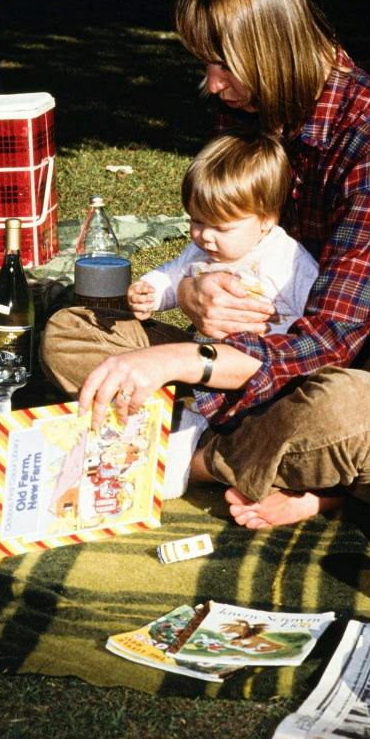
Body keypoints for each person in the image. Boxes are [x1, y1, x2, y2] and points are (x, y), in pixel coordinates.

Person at [41, 0, 370, 529]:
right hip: (251, 360)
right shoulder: (250, 108)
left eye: (221, 65)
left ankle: (195, 460)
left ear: (270, 47)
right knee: (69, 332)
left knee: (350, 415)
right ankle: (288, 467)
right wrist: (194, 293)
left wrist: (183, 359)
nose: (211, 85)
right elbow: (225, 241)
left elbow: (329, 342)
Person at [125, 133, 319, 486]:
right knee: (183, 421)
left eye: (221, 227)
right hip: (203, 370)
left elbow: (317, 317)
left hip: (260, 378)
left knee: (277, 421)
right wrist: (151, 291)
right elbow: (174, 272)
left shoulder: (286, 260)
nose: (205, 237)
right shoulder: (202, 252)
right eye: (197, 222)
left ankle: (200, 463)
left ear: (266, 219)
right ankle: (171, 456)